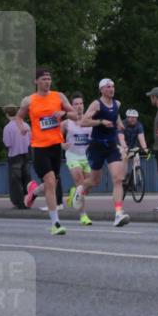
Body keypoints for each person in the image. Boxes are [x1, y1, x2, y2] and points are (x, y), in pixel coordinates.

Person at [16, 68, 77, 234]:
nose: (47, 82)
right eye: (43, 79)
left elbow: (75, 115)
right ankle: (55, 224)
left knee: (52, 183)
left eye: (49, 79)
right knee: (50, 182)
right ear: (36, 81)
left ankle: (33, 192)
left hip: (56, 146)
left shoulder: (59, 96)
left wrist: (64, 113)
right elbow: (19, 117)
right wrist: (22, 127)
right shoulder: (29, 100)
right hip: (39, 147)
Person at [76, 78, 131, 228]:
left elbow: (117, 117)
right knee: (94, 182)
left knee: (118, 178)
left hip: (112, 146)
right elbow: (83, 122)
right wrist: (100, 122)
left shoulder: (117, 104)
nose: (111, 89)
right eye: (108, 87)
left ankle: (118, 214)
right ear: (101, 89)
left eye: (113, 86)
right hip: (96, 147)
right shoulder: (96, 104)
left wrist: (120, 125)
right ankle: (80, 189)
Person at [61, 93, 93, 226]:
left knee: (88, 185)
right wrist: (62, 144)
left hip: (85, 157)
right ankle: (83, 215)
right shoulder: (66, 123)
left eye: (81, 103)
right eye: (76, 104)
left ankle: (73, 194)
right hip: (72, 155)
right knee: (80, 182)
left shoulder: (90, 121)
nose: (79, 106)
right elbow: (55, 135)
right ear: (71, 106)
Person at [2, 105, 30, 208]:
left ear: (7, 114)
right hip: (26, 154)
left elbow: (7, 144)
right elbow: (30, 141)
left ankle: (19, 202)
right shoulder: (26, 125)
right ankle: (28, 200)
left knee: (16, 181)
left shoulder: (7, 128)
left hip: (14, 156)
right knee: (26, 179)